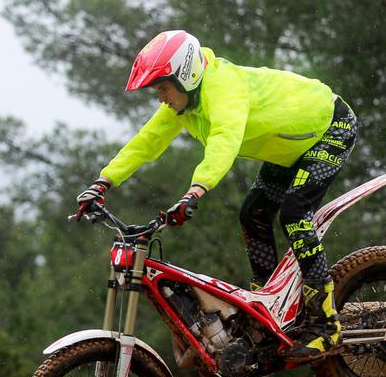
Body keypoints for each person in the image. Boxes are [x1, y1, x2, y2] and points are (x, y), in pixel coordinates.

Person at [74, 30, 358, 359]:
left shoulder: (224, 88)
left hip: (330, 128)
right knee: (252, 214)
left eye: (162, 88)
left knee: (294, 215)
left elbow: (225, 140)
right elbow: (146, 142)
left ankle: (326, 325)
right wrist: (103, 182)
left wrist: (196, 190)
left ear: (185, 77)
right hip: (288, 148)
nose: (160, 98)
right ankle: (270, 312)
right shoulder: (183, 106)